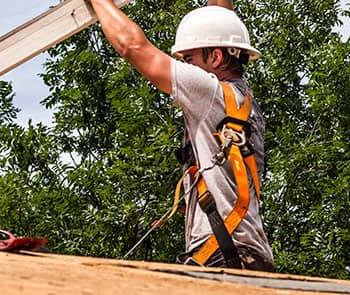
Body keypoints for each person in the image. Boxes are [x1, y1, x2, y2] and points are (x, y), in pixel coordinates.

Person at [88, 0, 274, 271]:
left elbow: (133, 47)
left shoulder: (208, 92)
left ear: (217, 58)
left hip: (224, 254)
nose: (186, 66)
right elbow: (219, 19)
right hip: (248, 255)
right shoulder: (241, 100)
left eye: (189, 59)